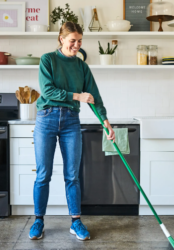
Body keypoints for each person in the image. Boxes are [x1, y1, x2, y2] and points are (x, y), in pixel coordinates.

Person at [29, 22, 115, 241]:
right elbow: (47, 91)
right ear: (61, 39)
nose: (77, 45)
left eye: (80, 41)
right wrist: (77, 96)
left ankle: (76, 222)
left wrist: (105, 121)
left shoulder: (81, 67)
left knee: (72, 175)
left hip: (70, 122)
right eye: (72, 41)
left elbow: (94, 96)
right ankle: (38, 220)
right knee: (43, 174)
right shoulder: (47, 60)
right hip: (46, 119)